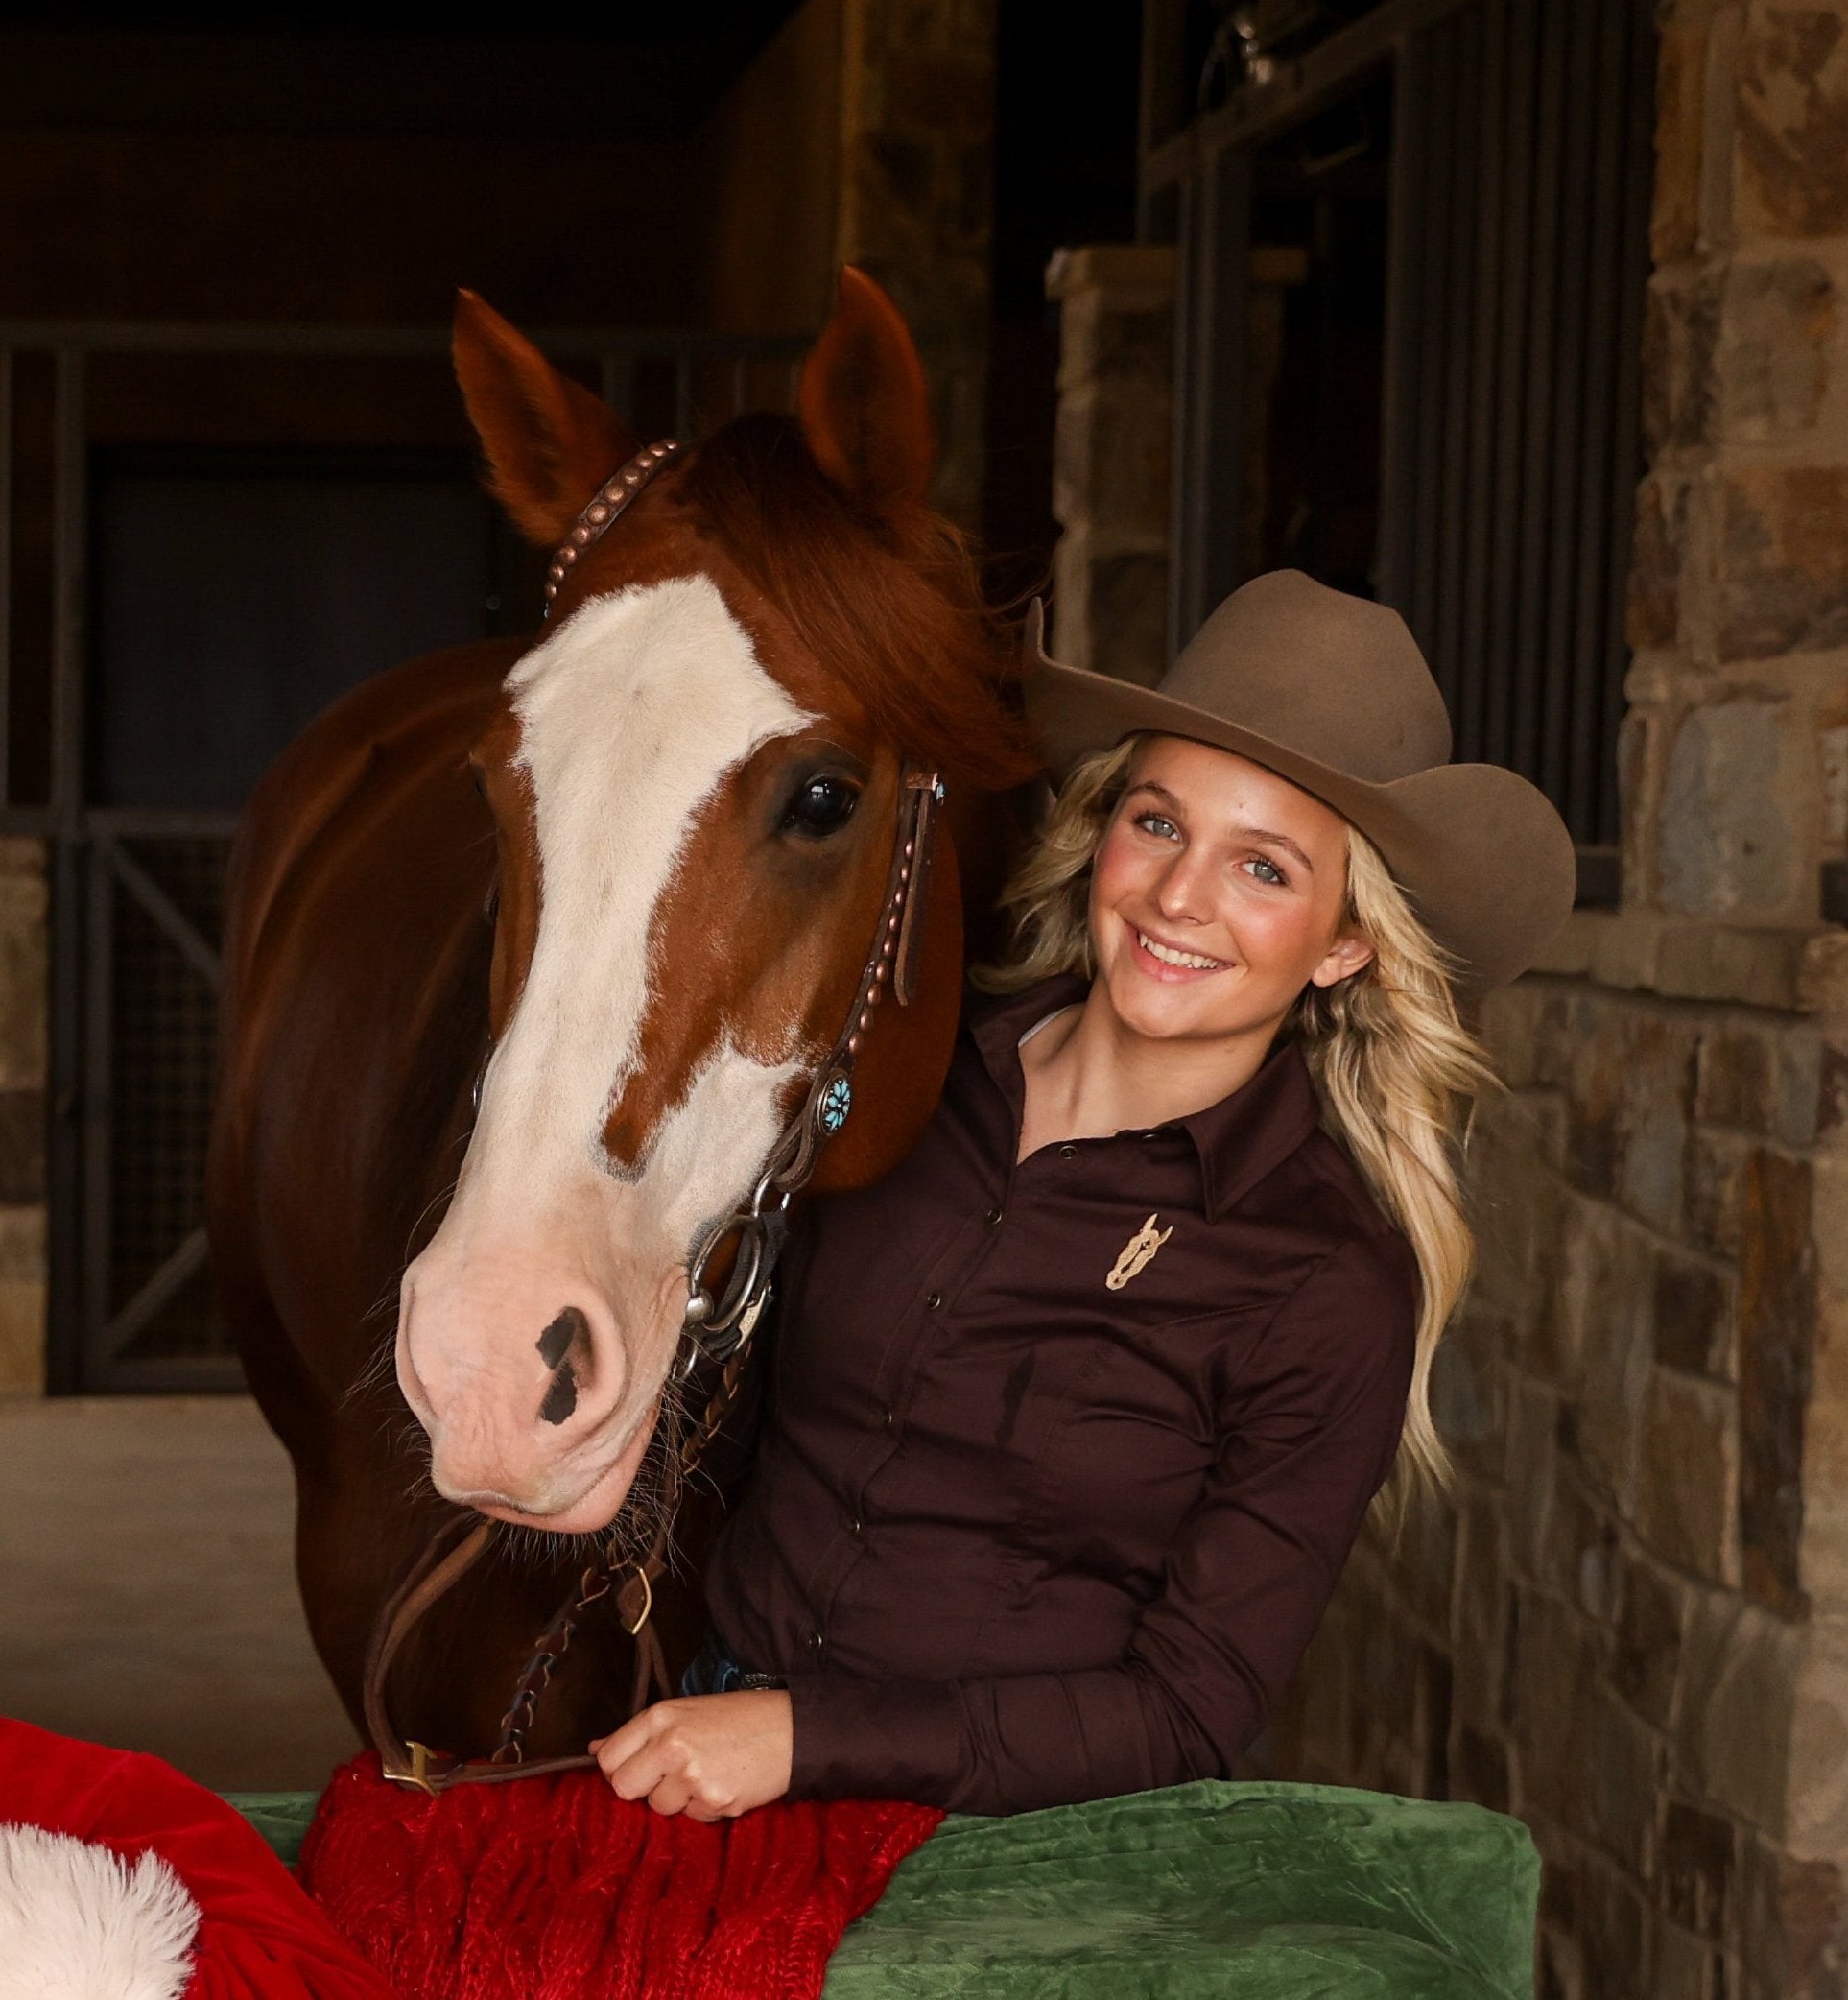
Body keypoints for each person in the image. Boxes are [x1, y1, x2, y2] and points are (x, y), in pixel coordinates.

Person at [590, 569, 1575, 1821]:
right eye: (1158, 823)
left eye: (1262, 868)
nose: (1177, 897)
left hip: (1024, 1857)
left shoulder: (1324, 1275)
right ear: (1100, 828)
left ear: (1341, 943)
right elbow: (724, 1410)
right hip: (698, 1748)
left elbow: (1186, 1708)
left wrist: (805, 1741)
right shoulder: (901, 1070)